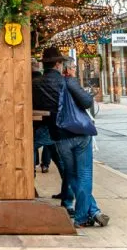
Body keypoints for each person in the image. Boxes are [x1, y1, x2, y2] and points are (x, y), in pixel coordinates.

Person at [32, 46, 109, 229]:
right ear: (59, 64)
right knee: (83, 175)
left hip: (58, 135)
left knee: (71, 174)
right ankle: (83, 216)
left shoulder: (36, 84)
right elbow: (87, 102)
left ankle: (92, 211)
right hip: (79, 133)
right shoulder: (68, 81)